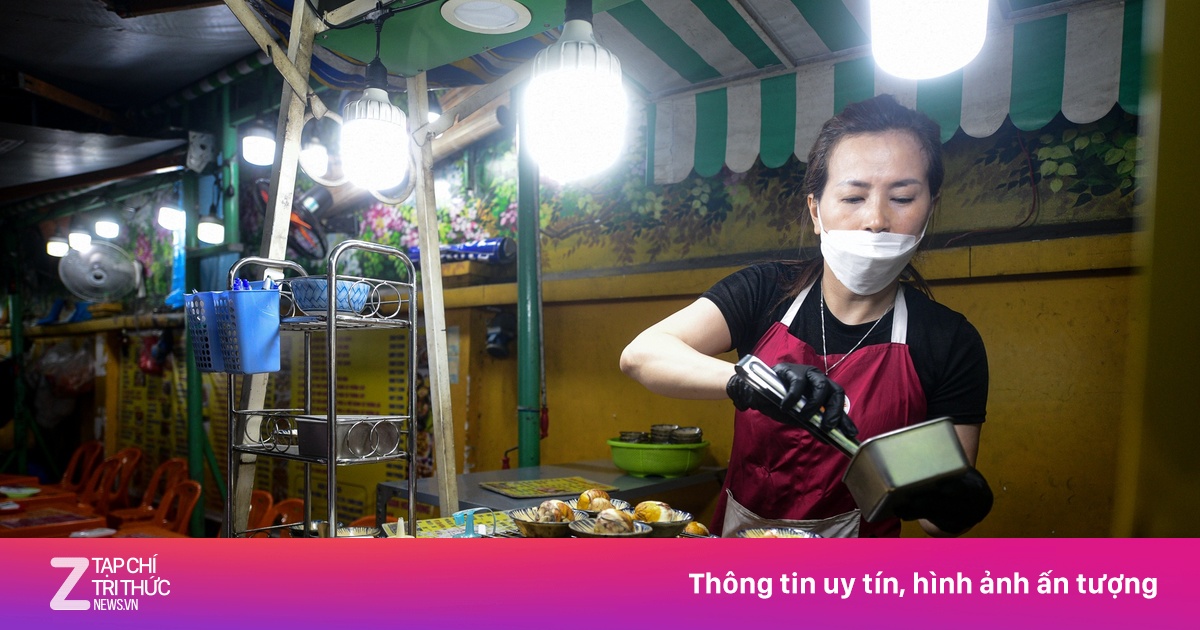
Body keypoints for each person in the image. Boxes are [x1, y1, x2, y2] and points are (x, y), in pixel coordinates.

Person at [620, 94, 993, 538]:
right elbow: (641, 355)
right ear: (816, 211)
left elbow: (934, 521)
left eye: (902, 197)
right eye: (853, 196)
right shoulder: (765, 291)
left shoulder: (949, 341)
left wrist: (950, 505)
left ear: (930, 207)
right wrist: (749, 383)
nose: (876, 219)